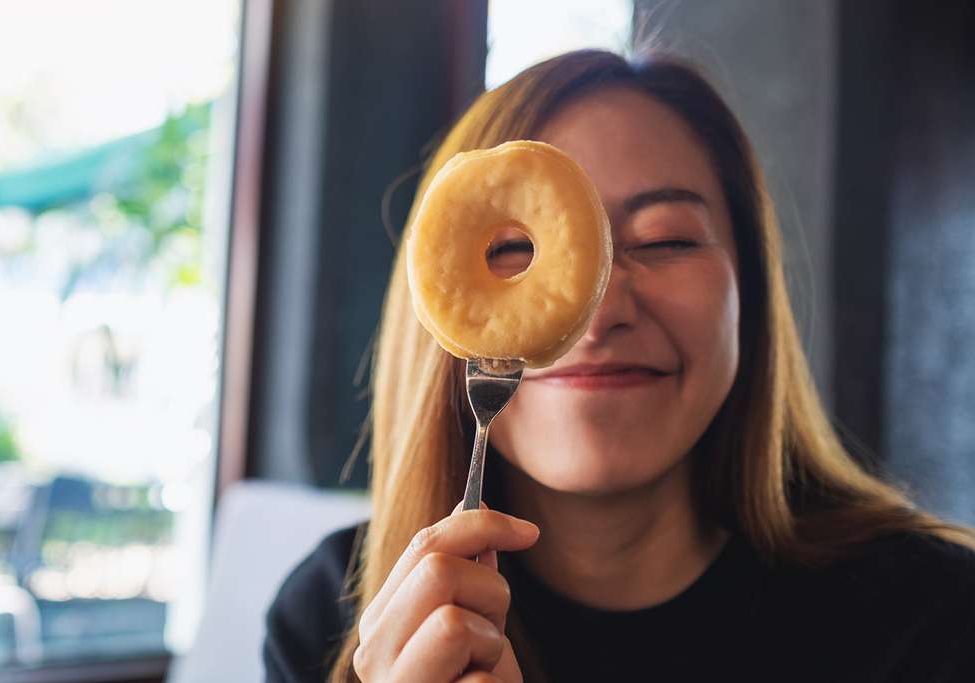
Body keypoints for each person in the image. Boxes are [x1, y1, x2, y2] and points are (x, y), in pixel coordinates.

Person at [263, 49, 975, 683]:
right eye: (514, 249)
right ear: (438, 317)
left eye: (665, 240)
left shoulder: (932, 624)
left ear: (751, 295)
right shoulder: (330, 623)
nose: (598, 312)